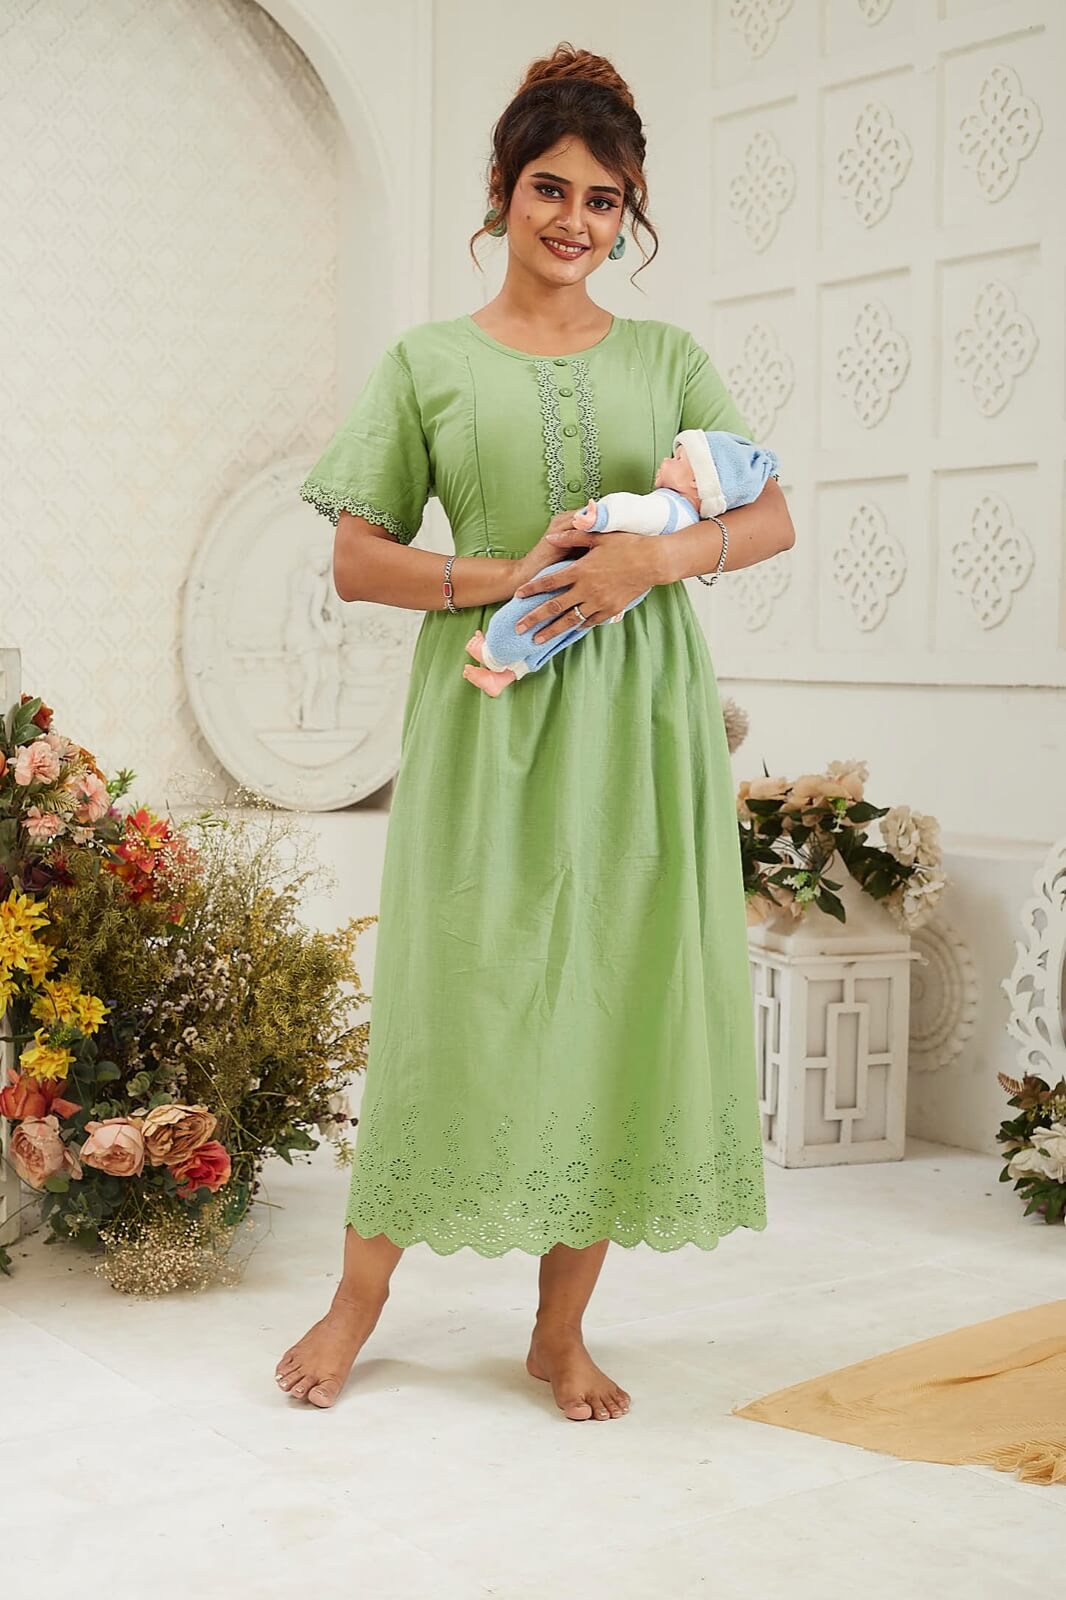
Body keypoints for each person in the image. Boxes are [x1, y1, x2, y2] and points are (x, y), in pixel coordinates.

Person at [276, 41, 795, 1421]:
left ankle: (559, 1331)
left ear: (629, 215)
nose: (575, 221)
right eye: (550, 188)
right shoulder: (428, 362)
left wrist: (650, 562)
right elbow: (356, 559)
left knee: (615, 990)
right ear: (502, 188)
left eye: (604, 200)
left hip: (642, 726)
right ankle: (357, 1300)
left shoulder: (668, 359)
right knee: (454, 993)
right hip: (487, 718)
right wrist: (505, 574)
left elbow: (769, 515)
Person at [462, 429, 780, 693]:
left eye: (677, 459)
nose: (666, 460)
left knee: (533, 608)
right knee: (563, 631)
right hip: (623, 595)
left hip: (596, 572)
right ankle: (510, 674)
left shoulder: (670, 507)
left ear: (697, 481)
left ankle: (494, 654)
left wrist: (598, 516)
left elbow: (634, 509)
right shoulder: (690, 520)